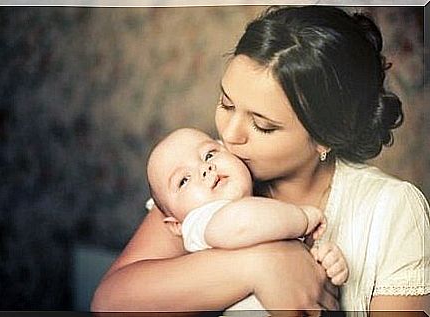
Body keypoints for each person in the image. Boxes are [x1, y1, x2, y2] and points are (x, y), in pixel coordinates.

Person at [91, 5, 430, 314]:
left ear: (325, 137)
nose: (230, 134)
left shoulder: (391, 210)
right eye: (226, 104)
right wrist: (258, 265)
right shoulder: (206, 183)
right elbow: (110, 303)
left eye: (262, 125)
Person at [146, 127, 348, 313]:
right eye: (184, 180)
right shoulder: (199, 222)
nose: (205, 168)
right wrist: (303, 218)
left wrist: (326, 260)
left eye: (209, 154)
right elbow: (242, 222)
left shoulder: (267, 206)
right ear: (176, 225)